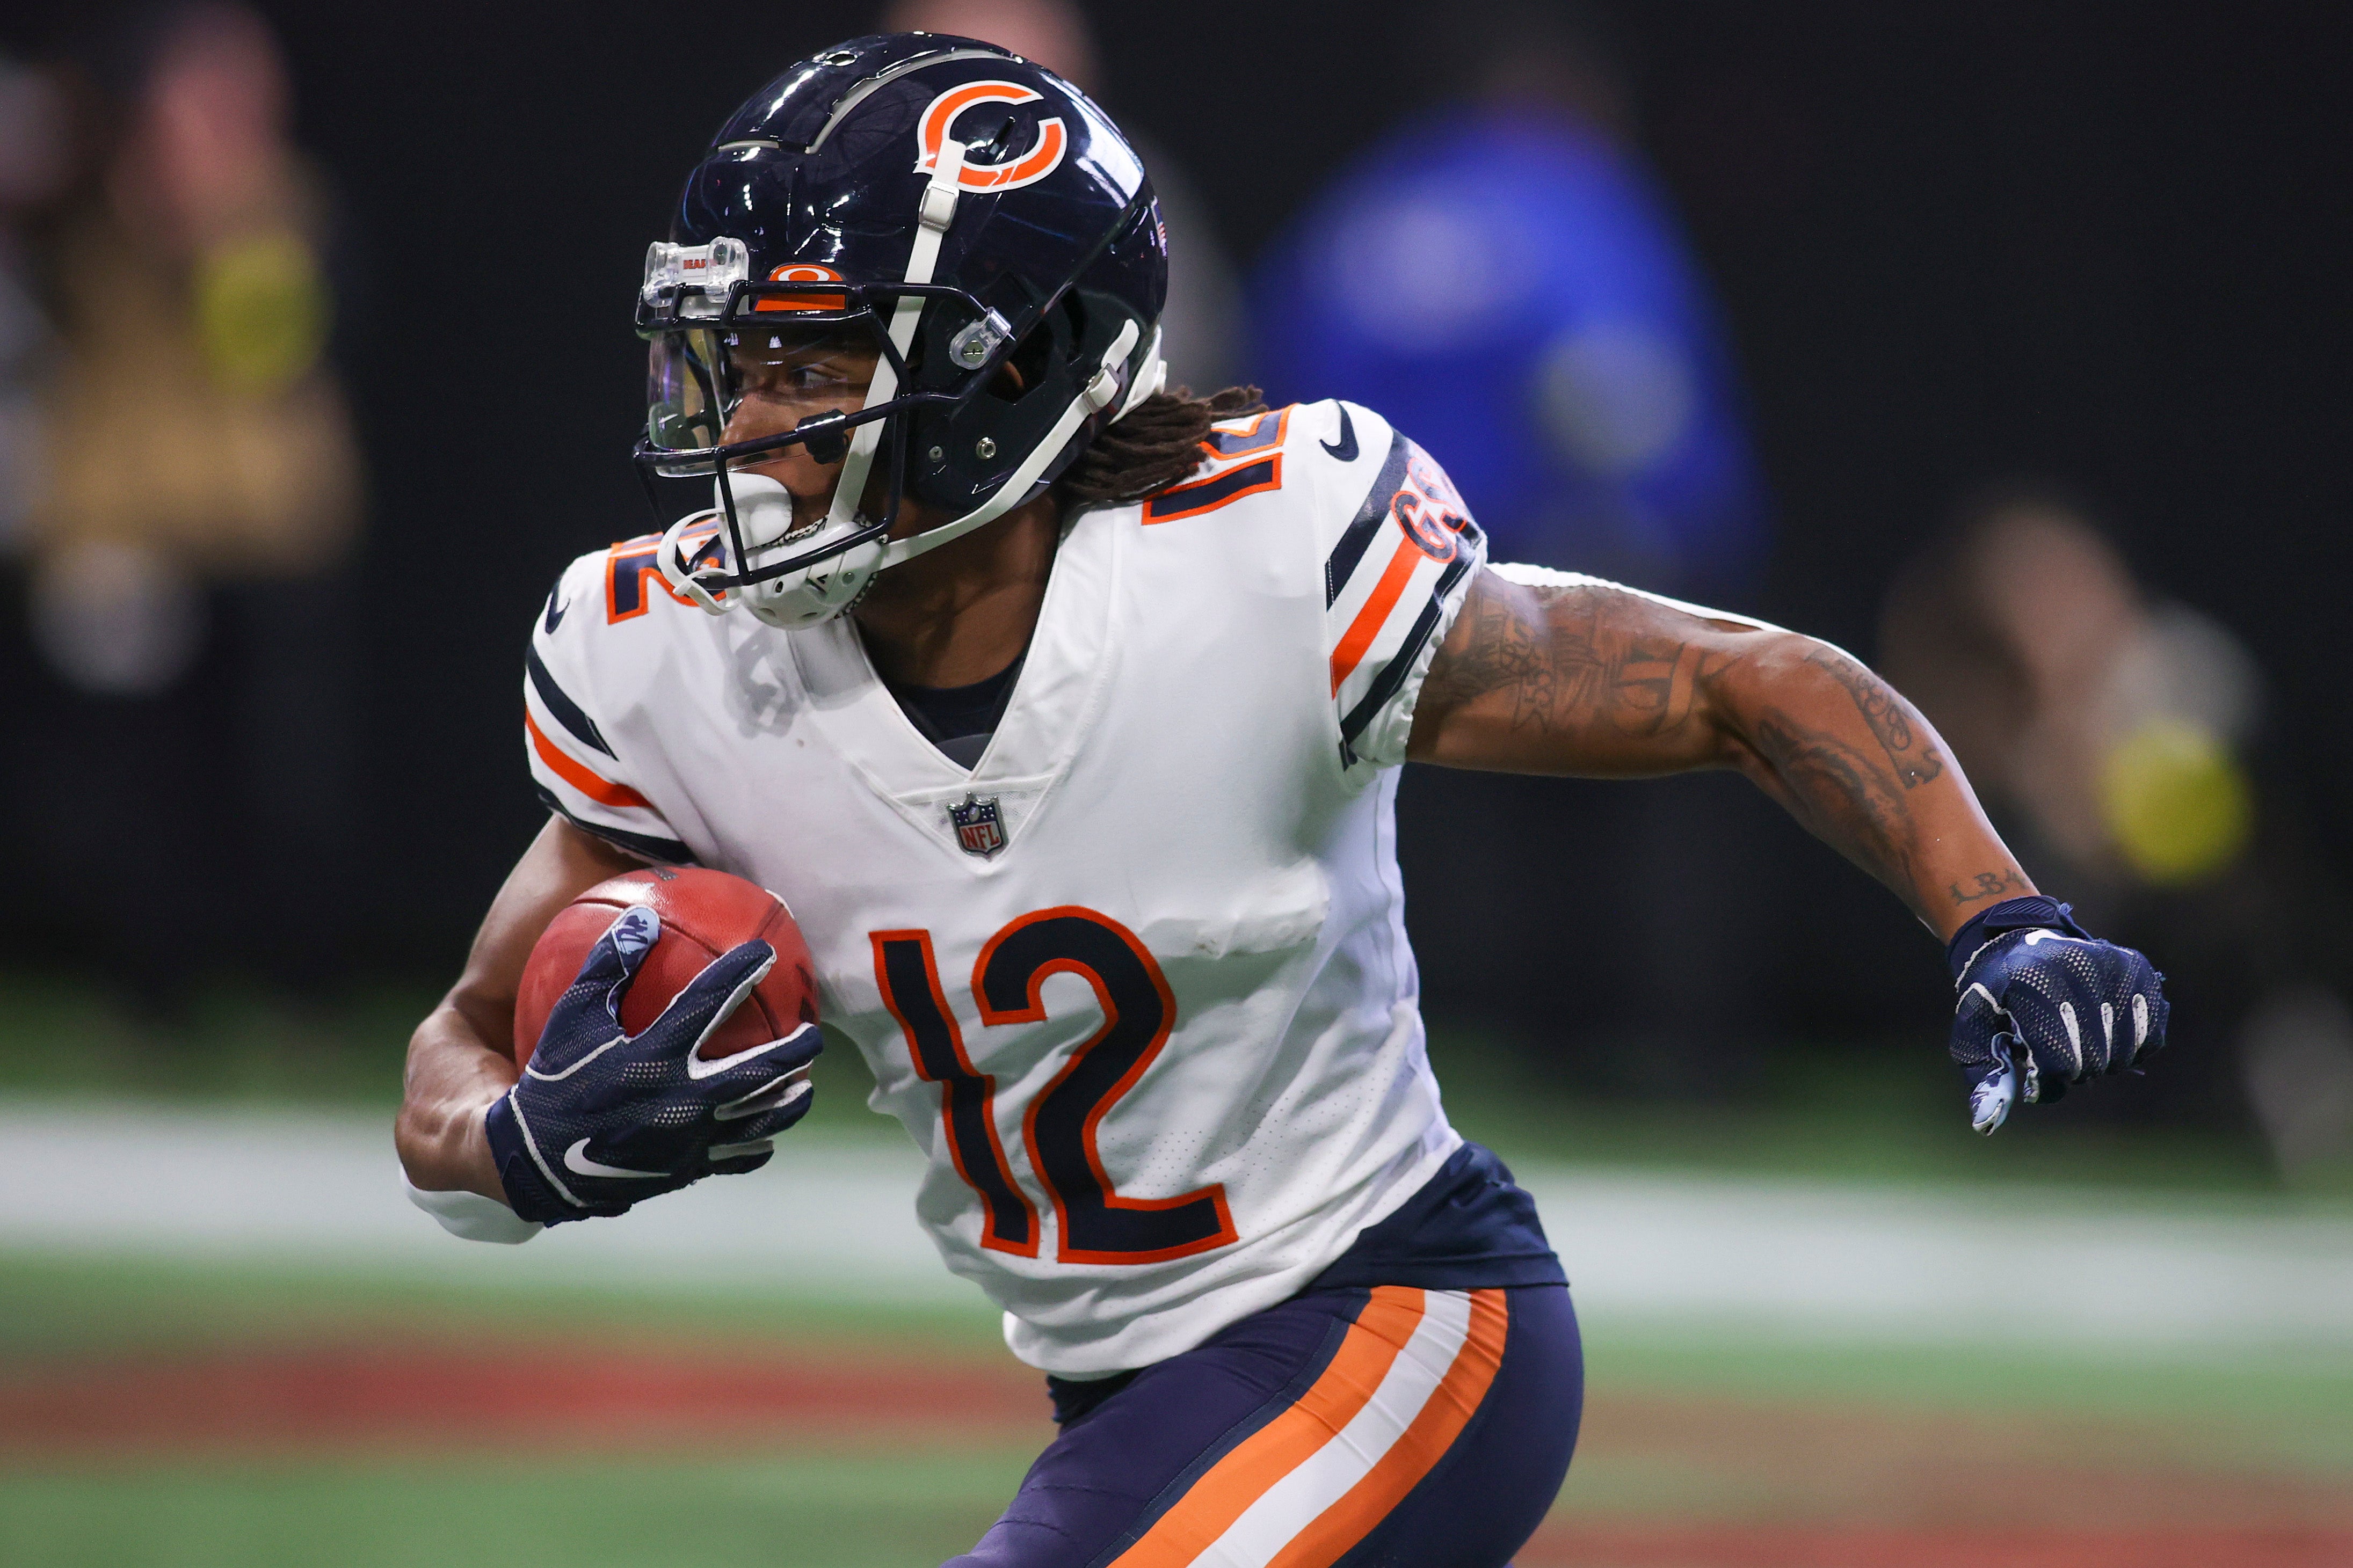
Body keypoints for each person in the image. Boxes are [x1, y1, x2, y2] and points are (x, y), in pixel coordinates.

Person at [394, 35, 2168, 1568]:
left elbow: (1738, 680)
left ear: (1019, 364)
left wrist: (1999, 911)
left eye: (816, 364)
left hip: (1398, 1313)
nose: (750, 426)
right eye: (736, 359)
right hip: (1130, 1388)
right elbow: (457, 1058)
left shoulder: (1250, 567)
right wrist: (525, 1147)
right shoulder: (669, 655)